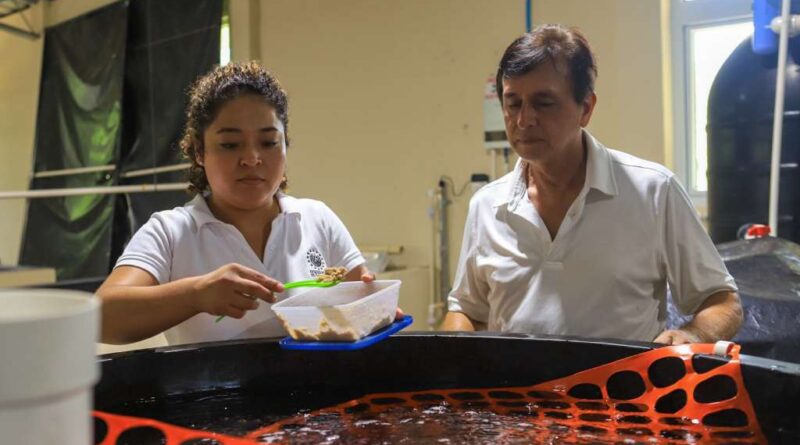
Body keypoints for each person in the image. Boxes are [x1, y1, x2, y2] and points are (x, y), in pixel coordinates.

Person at [442, 25, 742, 344]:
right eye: (513, 103)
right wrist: (460, 355)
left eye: (543, 103)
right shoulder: (487, 206)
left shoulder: (653, 191)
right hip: (518, 393)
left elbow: (722, 301)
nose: (524, 120)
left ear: (585, 108)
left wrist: (692, 335)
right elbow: (466, 310)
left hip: (622, 391)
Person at [98, 61, 378, 345]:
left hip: (314, 388)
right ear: (198, 151)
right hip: (217, 388)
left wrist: (375, 309)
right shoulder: (171, 232)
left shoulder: (317, 219)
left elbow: (362, 300)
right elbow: (101, 318)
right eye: (230, 145)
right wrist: (196, 294)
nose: (252, 158)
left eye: (268, 143)